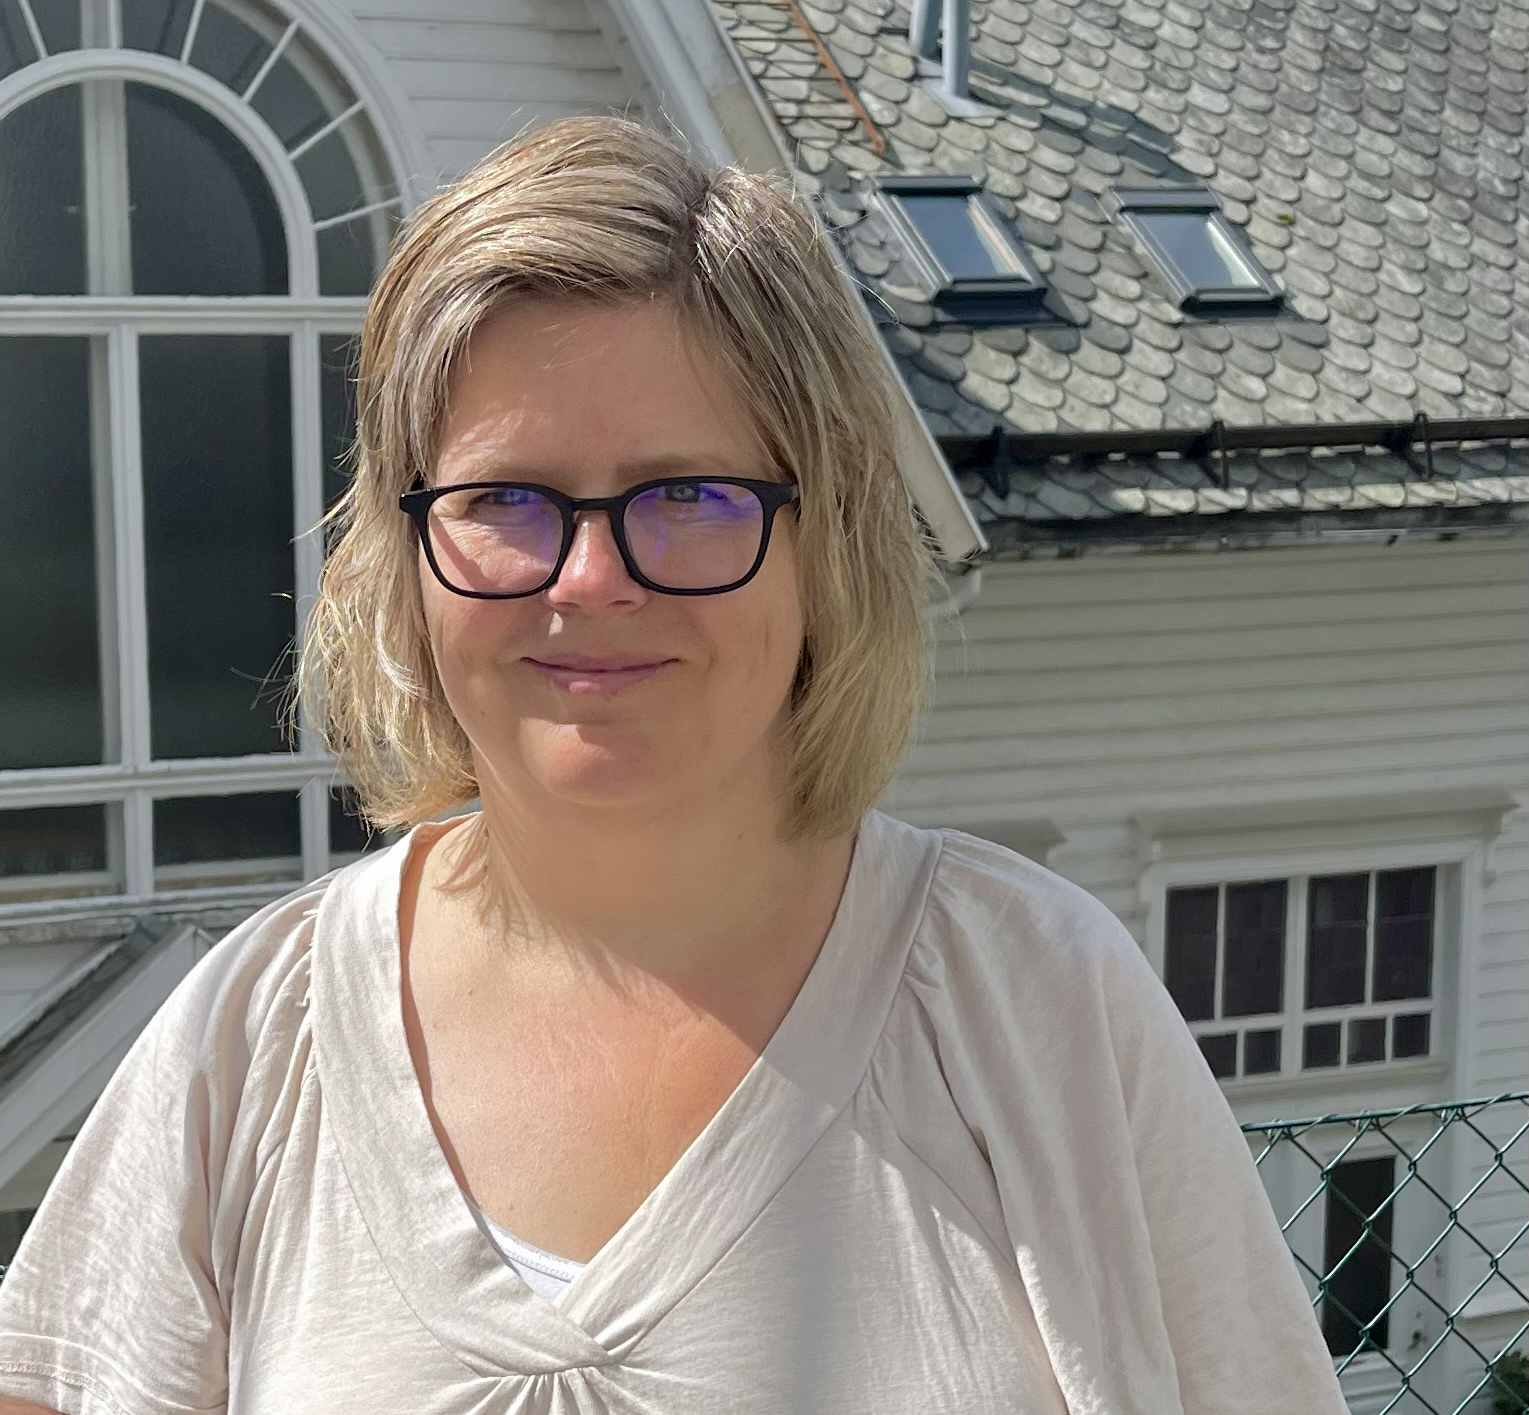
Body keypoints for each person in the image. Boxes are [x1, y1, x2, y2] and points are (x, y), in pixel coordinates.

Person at [0, 117, 1348, 1415]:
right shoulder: (257, 1036)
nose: (589, 580)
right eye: (503, 498)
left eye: (689, 495)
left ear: (824, 543)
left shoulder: (1035, 1007)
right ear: (407, 559)